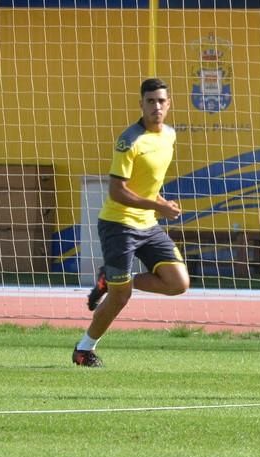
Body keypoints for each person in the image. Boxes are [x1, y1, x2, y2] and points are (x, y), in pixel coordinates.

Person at [73, 78, 190, 367]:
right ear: (141, 104)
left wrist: (160, 203)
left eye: (161, 101)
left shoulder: (170, 136)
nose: (156, 106)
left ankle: (109, 281)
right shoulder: (130, 140)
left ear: (169, 104)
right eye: (150, 101)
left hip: (148, 224)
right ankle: (84, 349)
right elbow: (117, 191)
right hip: (118, 225)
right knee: (120, 297)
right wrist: (157, 205)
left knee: (178, 283)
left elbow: (147, 184)